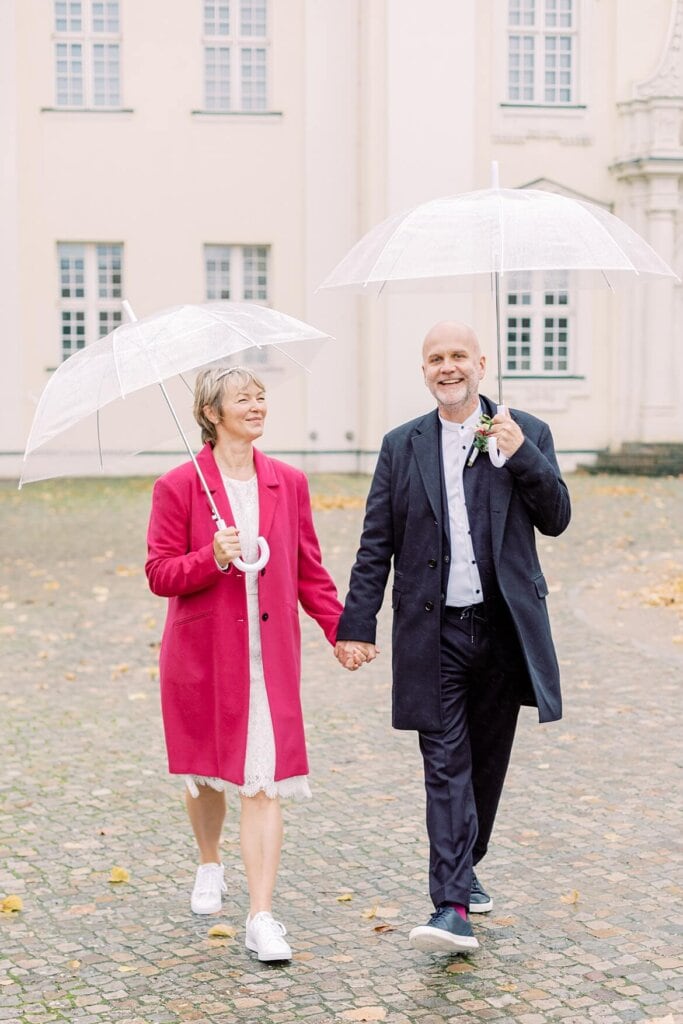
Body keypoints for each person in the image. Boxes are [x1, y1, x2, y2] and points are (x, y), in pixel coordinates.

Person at [334, 320, 571, 954]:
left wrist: (522, 455)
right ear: (424, 370)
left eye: (458, 356)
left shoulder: (525, 433)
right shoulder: (401, 445)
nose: (447, 367)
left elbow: (557, 519)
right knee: (444, 765)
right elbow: (376, 542)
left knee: (486, 767)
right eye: (435, 358)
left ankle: (468, 864)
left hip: (503, 632)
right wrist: (357, 624)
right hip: (431, 633)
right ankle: (452, 905)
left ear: (481, 364)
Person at [145, 365, 342, 962]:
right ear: (212, 413)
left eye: (261, 397)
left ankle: (261, 916)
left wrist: (342, 629)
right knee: (206, 774)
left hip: (269, 657)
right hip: (203, 656)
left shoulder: (288, 481)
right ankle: (210, 860)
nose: (257, 406)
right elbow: (159, 573)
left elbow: (308, 566)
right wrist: (210, 556)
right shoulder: (178, 486)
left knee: (263, 780)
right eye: (243, 399)